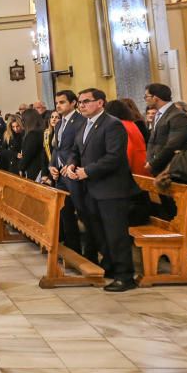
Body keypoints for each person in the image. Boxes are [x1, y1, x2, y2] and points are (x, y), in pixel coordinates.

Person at [63, 88, 139, 292]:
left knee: (116, 234)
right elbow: (76, 150)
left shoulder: (112, 124)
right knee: (99, 232)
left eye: (86, 101)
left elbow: (114, 157)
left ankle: (125, 276)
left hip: (112, 190)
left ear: (100, 103)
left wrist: (87, 171)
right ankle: (111, 266)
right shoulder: (84, 125)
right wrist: (71, 164)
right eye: (80, 102)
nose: (82, 105)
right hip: (91, 189)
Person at [49, 90, 88, 255]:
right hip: (60, 175)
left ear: (73, 103)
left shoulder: (80, 121)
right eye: (57, 102)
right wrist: (52, 165)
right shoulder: (59, 123)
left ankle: (90, 252)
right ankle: (73, 250)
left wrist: (71, 164)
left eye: (62, 102)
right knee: (65, 213)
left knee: (82, 213)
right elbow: (56, 149)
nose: (58, 105)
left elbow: (79, 148)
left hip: (73, 174)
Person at [144, 83, 187, 176]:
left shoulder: (178, 115)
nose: (145, 100)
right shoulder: (158, 115)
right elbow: (151, 141)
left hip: (171, 169)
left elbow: (173, 145)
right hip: (157, 168)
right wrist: (149, 160)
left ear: (155, 98)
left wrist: (153, 163)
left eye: (146, 96)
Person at [104, 99, 149, 176]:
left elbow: (126, 151)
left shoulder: (119, 126)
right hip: (141, 167)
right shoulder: (131, 124)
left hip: (132, 173)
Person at [18, 108, 45, 180]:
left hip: (34, 168)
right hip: (41, 167)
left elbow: (28, 154)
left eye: (23, 120)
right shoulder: (42, 130)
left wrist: (21, 168)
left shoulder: (33, 134)